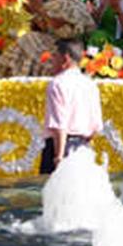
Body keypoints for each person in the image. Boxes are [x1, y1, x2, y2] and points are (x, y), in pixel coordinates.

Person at [39, 38, 103, 174]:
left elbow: (59, 126)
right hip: (83, 148)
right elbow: (96, 127)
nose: (52, 61)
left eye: (55, 56)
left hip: (61, 147)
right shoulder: (90, 84)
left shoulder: (57, 84)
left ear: (65, 59)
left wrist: (58, 157)